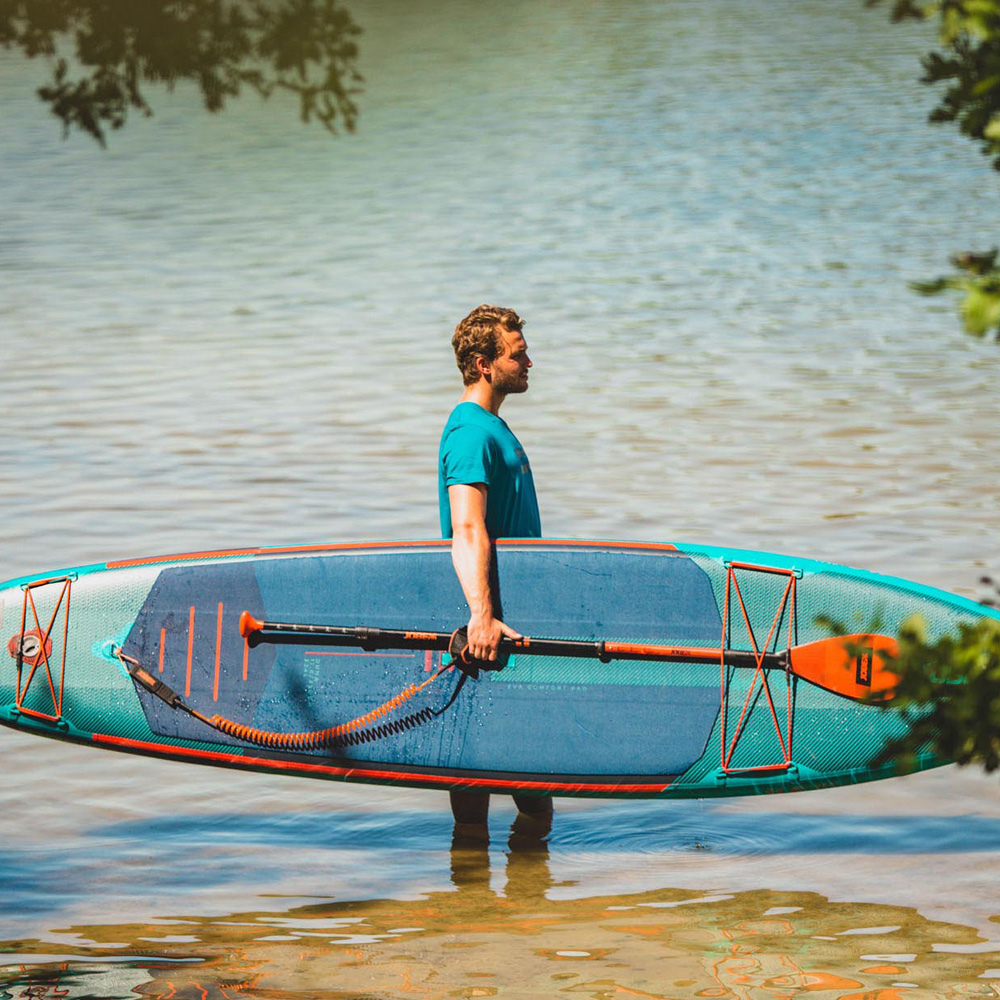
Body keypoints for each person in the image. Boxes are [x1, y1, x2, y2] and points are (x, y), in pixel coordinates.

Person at [438, 304, 553, 830]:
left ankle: (497, 885)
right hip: (487, 625)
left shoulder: (490, 428)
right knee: (476, 784)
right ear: (484, 364)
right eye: (517, 354)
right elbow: (466, 526)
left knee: (531, 790)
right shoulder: (470, 433)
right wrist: (481, 615)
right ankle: (473, 874)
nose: (529, 362)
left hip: (510, 622)